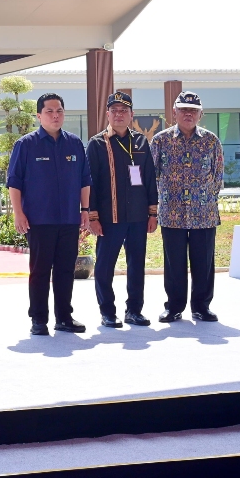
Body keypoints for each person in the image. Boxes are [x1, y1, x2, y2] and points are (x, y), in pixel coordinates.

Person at [7, 93, 91, 336]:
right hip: (39, 219)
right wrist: (18, 214)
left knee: (66, 269)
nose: (56, 116)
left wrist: (84, 210)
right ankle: (39, 320)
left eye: (60, 111)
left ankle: (64, 317)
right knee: (40, 270)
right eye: (50, 111)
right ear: (39, 115)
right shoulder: (26, 144)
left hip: (68, 218)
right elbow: (14, 183)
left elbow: (85, 180)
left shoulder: (74, 143)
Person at [85, 91, 158, 328]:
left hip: (137, 216)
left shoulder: (140, 141)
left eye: (123, 110)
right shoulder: (97, 144)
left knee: (137, 265)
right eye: (114, 110)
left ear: (131, 115)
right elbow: (90, 182)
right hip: (109, 218)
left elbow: (149, 177)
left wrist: (152, 213)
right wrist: (92, 216)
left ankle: (134, 311)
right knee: (105, 266)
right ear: (107, 114)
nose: (119, 114)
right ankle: (107, 312)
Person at [150, 91, 224, 323]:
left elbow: (218, 175)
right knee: (174, 263)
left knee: (204, 262)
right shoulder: (160, 140)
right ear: (175, 112)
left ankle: (201, 306)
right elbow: (152, 176)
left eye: (193, 110)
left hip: (204, 214)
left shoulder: (211, 141)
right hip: (172, 213)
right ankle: (174, 307)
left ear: (201, 114)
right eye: (183, 109)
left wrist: (205, 199)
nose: (188, 114)